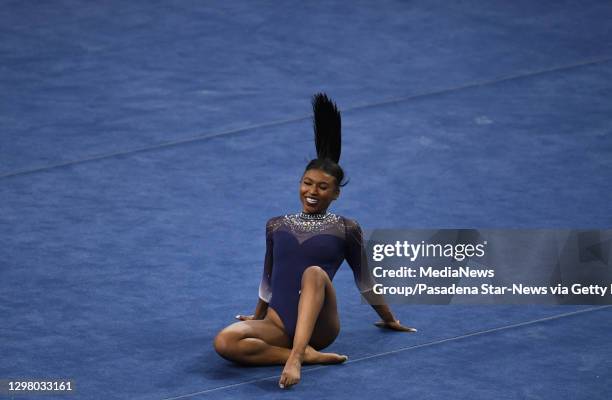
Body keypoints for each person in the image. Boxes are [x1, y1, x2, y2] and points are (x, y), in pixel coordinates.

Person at [213, 93, 416, 389]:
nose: (312, 191)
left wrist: (389, 318)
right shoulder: (276, 225)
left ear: (336, 194)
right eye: (307, 183)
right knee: (225, 341)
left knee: (314, 273)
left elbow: (365, 281)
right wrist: (257, 316)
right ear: (299, 183)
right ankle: (305, 355)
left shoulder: (346, 228)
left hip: (320, 327)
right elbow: (268, 278)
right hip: (278, 322)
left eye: (323, 187)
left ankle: (297, 357)